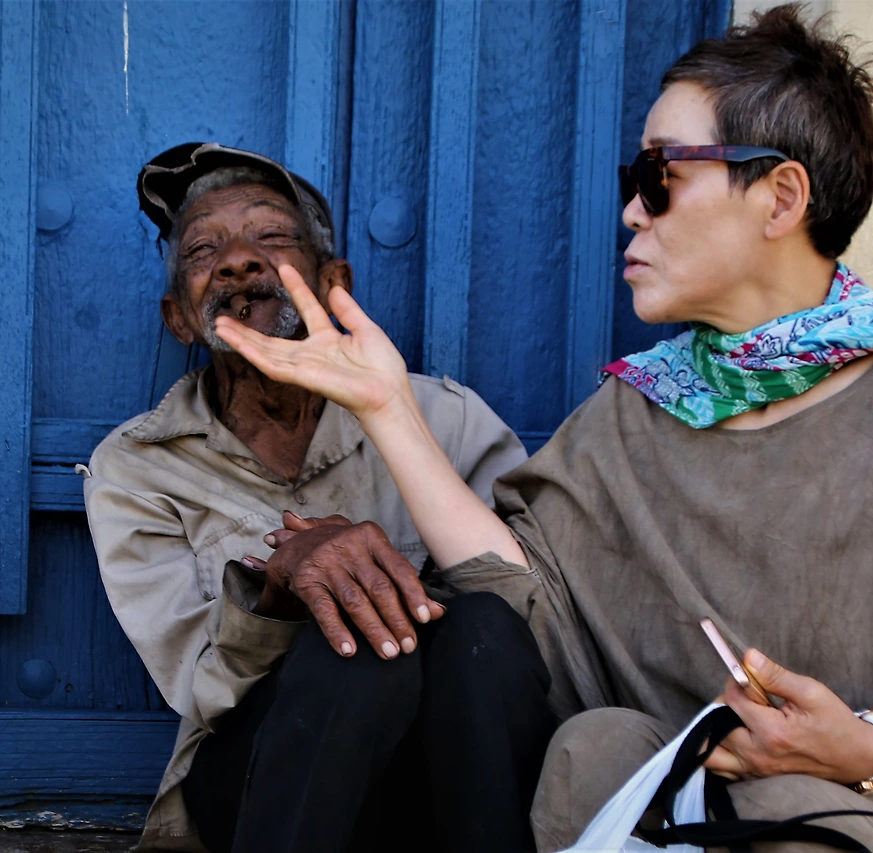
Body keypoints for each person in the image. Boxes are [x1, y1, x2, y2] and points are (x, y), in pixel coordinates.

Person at [217, 7, 873, 853]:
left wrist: (870, 743)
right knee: (580, 744)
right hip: (671, 803)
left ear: (781, 198)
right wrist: (387, 406)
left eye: (659, 176)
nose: (631, 208)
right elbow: (524, 599)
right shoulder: (640, 408)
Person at [82, 142, 556, 853]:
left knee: (480, 623)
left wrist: (390, 595)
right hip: (261, 783)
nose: (238, 261)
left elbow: (533, 624)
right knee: (351, 651)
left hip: (439, 783)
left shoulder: (443, 419)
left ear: (334, 283)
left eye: (272, 237)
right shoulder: (138, 466)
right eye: (203, 249)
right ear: (178, 317)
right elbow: (201, 686)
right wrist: (280, 589)